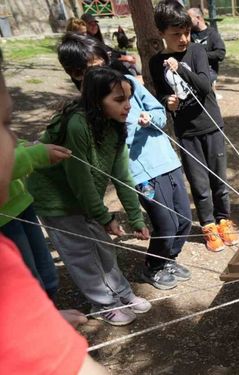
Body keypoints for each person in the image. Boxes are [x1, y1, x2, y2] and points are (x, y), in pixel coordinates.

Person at [0, 48, 108, 374]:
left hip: (22, 205)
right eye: (5, 124)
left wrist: (37, 322)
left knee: (43, 274)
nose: (15, 136)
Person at [57, 32, 193, 291]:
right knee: (166, 223)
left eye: (104, 64)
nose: (104, 73)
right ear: (77, 75)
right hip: (140, 173)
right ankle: (153, 266)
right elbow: (104, 154)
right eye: (94, 69)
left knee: (184, 219)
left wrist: (150, 119)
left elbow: (159, 112)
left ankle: (168, 259)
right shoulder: (87, 112)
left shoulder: (128, 83)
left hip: (167, 161)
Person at [28, 67, 152, 326]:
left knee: (103, 247)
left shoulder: (115, 124)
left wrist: (135, 218)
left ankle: (121, 294)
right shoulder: (77, 125)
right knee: (81, 253)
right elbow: (80, 180)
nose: (127, 105)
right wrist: (104, 217)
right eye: (119, 100)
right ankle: (103, 303)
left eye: (128, 97)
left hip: (83, 197)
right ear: (97, 101)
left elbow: (122, 175)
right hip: (56, 200)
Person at [150, 0, 237, 252]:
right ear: (161, 33)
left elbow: (204, 85)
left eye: (186, 32)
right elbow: (161, 94)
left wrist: (181, 69)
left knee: (219, 181)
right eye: (176, 34)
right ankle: (208, 225)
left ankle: (224, 220)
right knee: (199, 185)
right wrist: (169, 102)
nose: (184, 38)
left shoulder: (197, 52)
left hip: (211, 125)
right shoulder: (157, 63)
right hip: (186, 132)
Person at [0, 139, 70, 300]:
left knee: (47, 273)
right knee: (27, 278)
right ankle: (40, 315)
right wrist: (34, 155)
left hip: (22, 203)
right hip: (4, 219)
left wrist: (24, 145)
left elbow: (8, 141)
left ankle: (49, 307)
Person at [187, 7, 226, 98]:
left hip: (209, 69)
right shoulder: (188, 34)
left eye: (189, 18)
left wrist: (202, 55)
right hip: (192, 68)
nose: (187, 21)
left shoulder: (212, 34)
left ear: (198, 18)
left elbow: (221, 54)